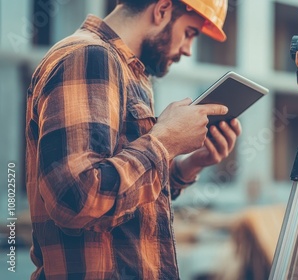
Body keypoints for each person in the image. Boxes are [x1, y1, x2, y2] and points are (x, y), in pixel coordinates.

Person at [25, 0, 239, 278]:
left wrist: (189, 165)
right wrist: (164, 143)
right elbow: (75, 198)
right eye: (189, 33)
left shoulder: (128, 72)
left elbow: (125, 201)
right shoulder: (88, 56)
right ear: (162, 9)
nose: (187, 50)